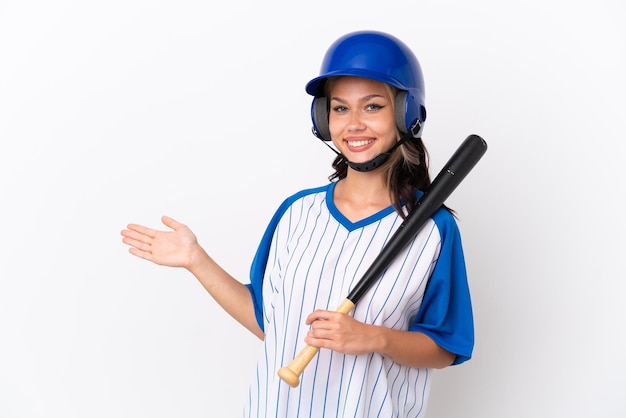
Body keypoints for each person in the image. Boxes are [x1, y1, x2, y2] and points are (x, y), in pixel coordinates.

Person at [121, 30, 474, 417]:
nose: (353, 123)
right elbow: (271, 324)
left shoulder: (433, 230)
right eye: (340, 108)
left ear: (405, 113)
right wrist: (196, 259)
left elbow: (445, 347)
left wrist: (374, 338)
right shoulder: (296, 213)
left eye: (372, 107)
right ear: (324, 118)